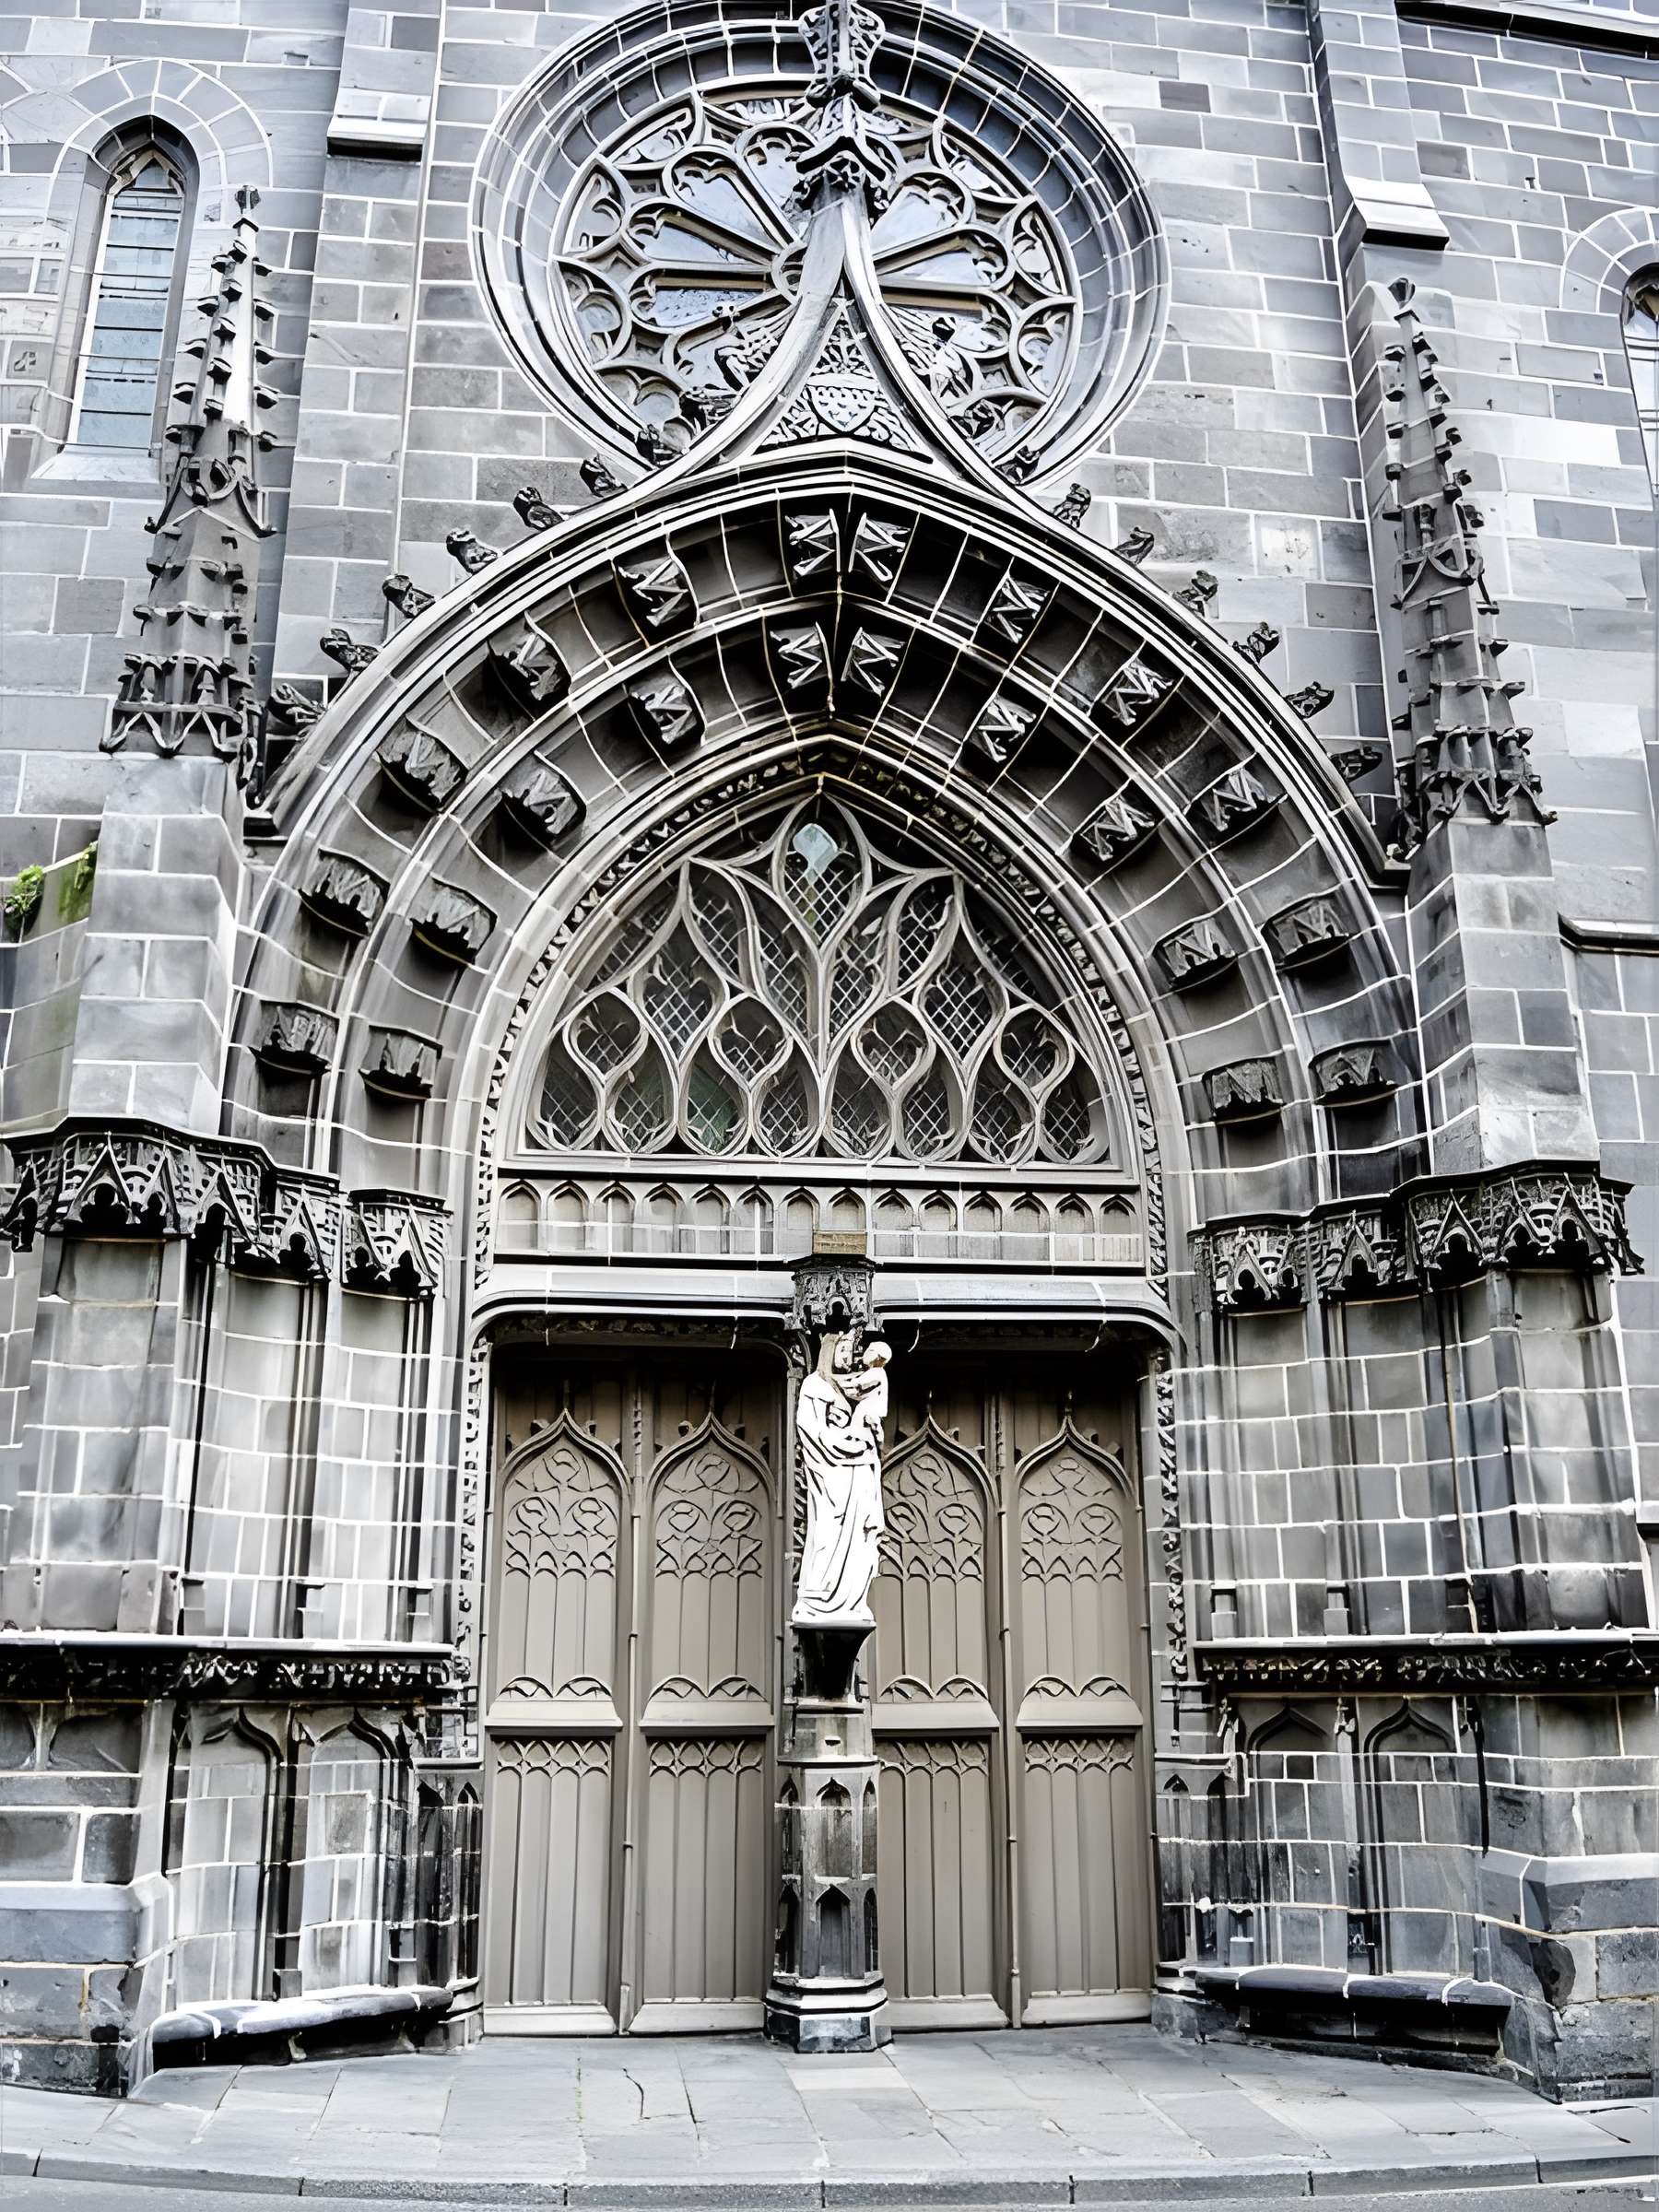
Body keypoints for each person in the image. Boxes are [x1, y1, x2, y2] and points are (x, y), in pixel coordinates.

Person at [793, 1334, 891, 1626]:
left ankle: (850, 1600)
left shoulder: (854, 1386)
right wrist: (845, 1445)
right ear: (829, 1351)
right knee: (827, 1533)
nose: (848, 1356)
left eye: (851, 1350)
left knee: (859, 1535)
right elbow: (811, 1429)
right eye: (843, 1349)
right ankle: (820, 1599)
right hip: (831, 1471)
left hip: (856, 1469)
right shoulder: (815, 1385)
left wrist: (861, 1443)